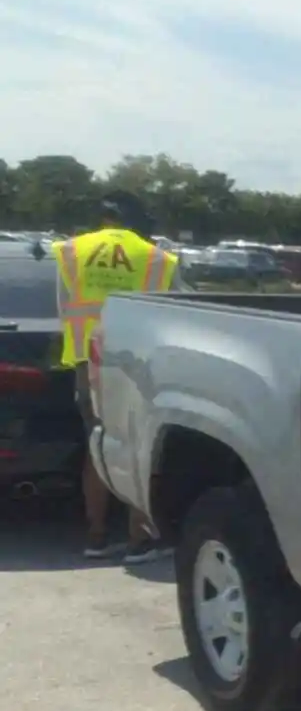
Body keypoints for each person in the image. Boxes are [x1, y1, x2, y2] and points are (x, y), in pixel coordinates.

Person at [53, 191, 181, 562]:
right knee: (137, 449)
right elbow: (172, 315)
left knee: (97, 447)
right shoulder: (158, 258)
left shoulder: (70, 251)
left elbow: (63, 306)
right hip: (134, 364)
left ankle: (95, 537)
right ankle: (138, 540)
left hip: (88, 360)